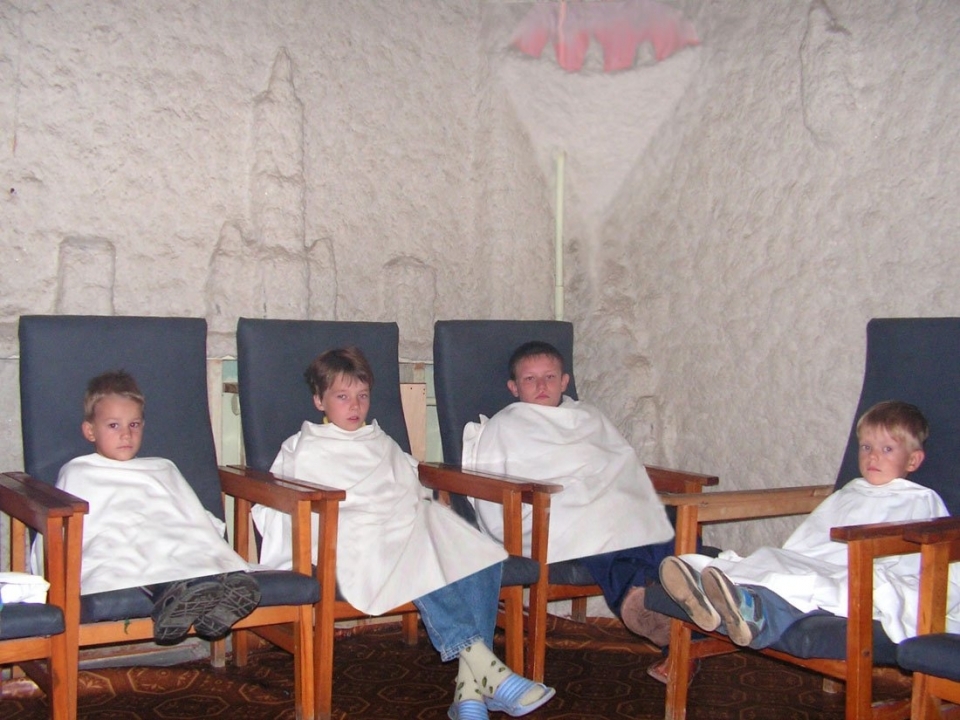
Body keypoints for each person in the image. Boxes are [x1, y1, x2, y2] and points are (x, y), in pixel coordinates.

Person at [251, 347, 555, 720]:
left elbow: (408, 487)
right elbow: (284, 500)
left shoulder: (381, 441)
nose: (355, 406)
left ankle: (470, 689)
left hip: (397, 525)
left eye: (363, 396)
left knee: (475, 549)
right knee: (416, 548)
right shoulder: (304, 446)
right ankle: (486, 675)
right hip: (349, 537)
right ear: (319, 401)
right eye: (342, 396)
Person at [659, 400, 959, 649]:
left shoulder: (919, 499)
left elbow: (934, 556)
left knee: (814, 583)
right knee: (773, 557)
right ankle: (712, 598)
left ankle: (752, 612)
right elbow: (812, 542)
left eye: (887, 449)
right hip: (821, 562)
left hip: (864, 572)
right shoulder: (851, 491)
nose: (873, 457)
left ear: (913, 461)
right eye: (866, 447)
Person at [461, 340, 678, 647]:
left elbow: (621, 465)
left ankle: (665, 599)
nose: (541, 386)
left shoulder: (588, 417)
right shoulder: (504, 425)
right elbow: (489, 484)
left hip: (598, 506)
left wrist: (613, 492)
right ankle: (651, 597)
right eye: (530, 379)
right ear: (514, 387)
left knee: (663, 516)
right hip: (545, 514)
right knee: (600, 523)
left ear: (564, 381)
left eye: (549, 377)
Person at [46, 370, 260, 644]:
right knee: (134, 549)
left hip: (167, 537)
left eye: (134, 425)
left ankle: (223, 591)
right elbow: (77, 527)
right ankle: (171, 596)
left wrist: (191, 530)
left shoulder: (161, 467)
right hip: (118, 544)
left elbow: (186, 514)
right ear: (90, 431)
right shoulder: (79, 471)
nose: (126, 434)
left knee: (185, 540)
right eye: (113, 425)